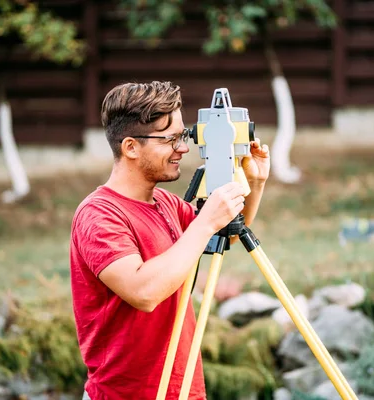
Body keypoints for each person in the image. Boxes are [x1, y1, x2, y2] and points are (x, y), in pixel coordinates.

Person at [69, 81, 270, 400]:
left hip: (183, 389)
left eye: (184, 136)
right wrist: (204, 221)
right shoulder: (99, 215)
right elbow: (144, 292)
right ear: (131, 147)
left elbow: (223, 236)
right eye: (171, 140)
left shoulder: (164, 202)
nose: (184, 148)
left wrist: (253, 182)